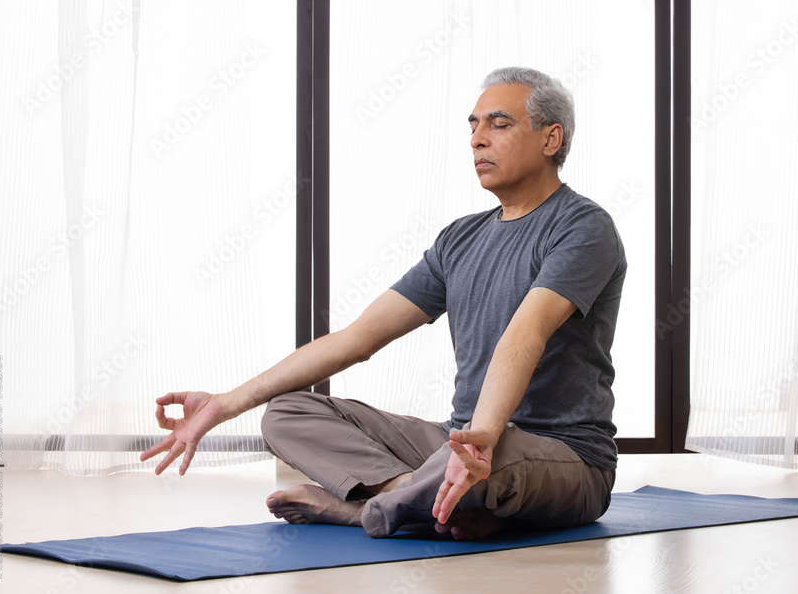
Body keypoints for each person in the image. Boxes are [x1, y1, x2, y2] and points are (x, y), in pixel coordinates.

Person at [141, 66, 627, 540]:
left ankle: (363, 512)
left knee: (490, 455)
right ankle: (424, 498)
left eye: (499, 124)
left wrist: (481, 440)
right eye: (474, 125)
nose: (478, 138)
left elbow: (526, 334)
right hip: (459, 443)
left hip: (565, 459)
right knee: (287, 413)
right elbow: (357, 339)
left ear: (551, 139)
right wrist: (226, 404)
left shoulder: (583, 227)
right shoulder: (459, 239)